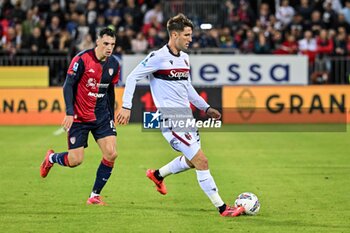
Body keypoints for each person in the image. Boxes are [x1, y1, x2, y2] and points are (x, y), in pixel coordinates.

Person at [116, 14, 245, 217]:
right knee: (202, 161)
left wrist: (206, 107)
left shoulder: (184, 58)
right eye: (186, 35)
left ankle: (157, 175)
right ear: (174, 34)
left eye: (190, 35)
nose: (190, 39)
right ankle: (222, 208)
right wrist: (126, 106)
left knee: (192, 160)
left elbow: (188, 88)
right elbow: (132, 77)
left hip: (186, 117)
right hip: (170, 119)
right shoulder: (157, 57)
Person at [40, 28, 120, 205]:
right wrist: (69, 112)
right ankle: (51, 158)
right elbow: (68, 86)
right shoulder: (82, 59)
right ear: (97, 41)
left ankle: (94, 196)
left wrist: (112, 117)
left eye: (113, 45)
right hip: (80, 117)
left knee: (111, 153)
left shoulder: (114, 64)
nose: (109, 48)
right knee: (75, 160)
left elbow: (110, 90)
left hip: (102, 117)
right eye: (106, 43)